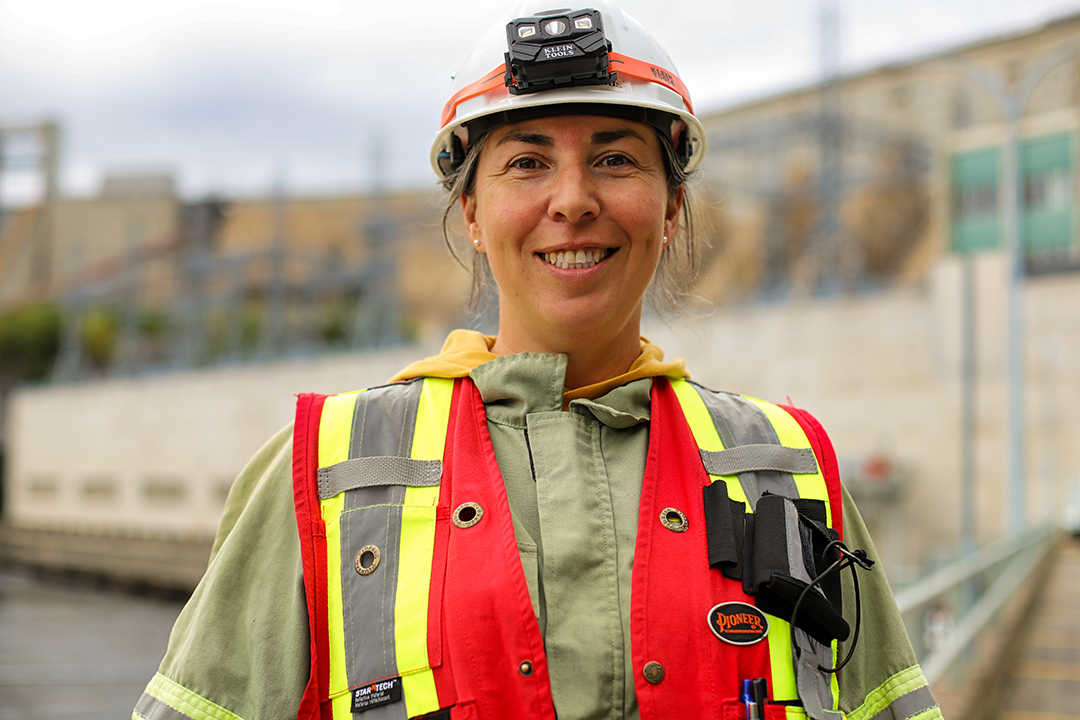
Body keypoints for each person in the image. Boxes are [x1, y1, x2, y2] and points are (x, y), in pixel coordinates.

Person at [134, 3, 941, 720]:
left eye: (616, 158)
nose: (572, 199)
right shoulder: (326, 472)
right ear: (474, 214)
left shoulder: (786, 469)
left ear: (672, 208)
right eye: (527, 162)